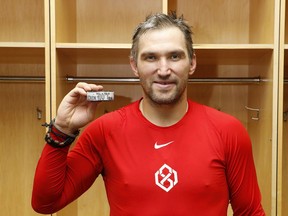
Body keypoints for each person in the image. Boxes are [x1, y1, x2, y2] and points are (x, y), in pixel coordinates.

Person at [32, 12, 265, 215]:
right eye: (151, 57)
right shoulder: (105, 131)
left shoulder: (228, 131)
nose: (163, 70)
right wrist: (61, 129)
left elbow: (250, 212)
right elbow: (46, 203)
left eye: (175, 56)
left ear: (192, 63)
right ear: (134, 65)